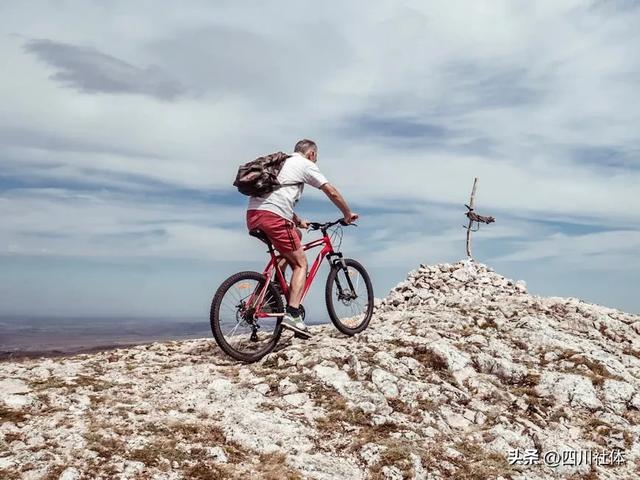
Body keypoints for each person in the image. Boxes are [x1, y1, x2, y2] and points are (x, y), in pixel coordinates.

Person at [246, 139, 358, 338]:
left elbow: (275, 197)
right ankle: (293, 315)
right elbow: (330, 191)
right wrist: (347, 213)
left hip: (254, 215)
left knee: (294, 237)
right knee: (300, 264)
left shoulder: (281, 163)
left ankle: (275, 290)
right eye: (316, 157)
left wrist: (297, 220)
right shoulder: (305, 164)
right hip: (274, 218)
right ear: (312, 154)